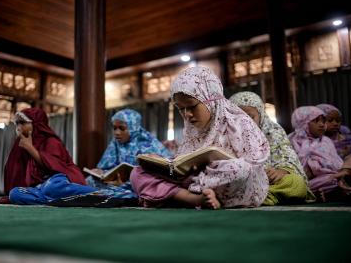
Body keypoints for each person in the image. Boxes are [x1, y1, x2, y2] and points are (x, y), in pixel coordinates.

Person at [130, 66, 270, 209]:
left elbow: (254, 163)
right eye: (180, 108)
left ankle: (179, 196)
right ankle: (194, 199)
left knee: (240, 170)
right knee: (137, 173)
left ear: (211, 99)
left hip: (228, 182)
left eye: (191, 106)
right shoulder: (191, 129)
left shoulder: (240, 123)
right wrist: (164, 164)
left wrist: (215, 165)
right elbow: (183, 163)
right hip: (195, 180)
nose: (187, 114)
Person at [0, 108, 96, 205]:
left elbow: (57, 167)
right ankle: (57, 200)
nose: (18, 127)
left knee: (52, 187)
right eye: (17, 123)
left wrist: (30, 149)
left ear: (37, 124)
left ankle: (99, 193)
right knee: (15, 193)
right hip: (38, 188)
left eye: (22, 123)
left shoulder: (51, 141)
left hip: (57, 180)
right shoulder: (21, 145)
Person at [229, 91, 315, 205]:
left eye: (250, 117)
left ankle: (259, 197)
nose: (245, 122)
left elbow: (286, 155)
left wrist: (283, 171)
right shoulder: (226, 134)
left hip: (271, 181)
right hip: (244, 181)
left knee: (296, 183)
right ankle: (262, 197)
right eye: (238, 117)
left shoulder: (273, 132)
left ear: (261, 117)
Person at [86, 109, 171, 195]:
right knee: (90, 180)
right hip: (116, 182)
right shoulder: (115, 143)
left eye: (122, 128)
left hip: (141, 183)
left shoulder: (148, 143)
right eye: (115, 128)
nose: (117, 133)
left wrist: (125, 183)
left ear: (133, 127)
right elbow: (106, 167)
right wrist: (100, 172)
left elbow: (157, 174)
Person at [288, 106, 344, 201]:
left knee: (336, 179)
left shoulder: (326, 141)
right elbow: (295, 169)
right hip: (307, 180)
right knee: (296, 185)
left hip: (329, 177)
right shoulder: (291, 142)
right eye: (316, 121)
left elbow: (336, 164)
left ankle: (323, 193)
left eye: (323, 121)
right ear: (303, 124)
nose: (322, 125)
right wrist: (313, 164)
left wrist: (318, 164)